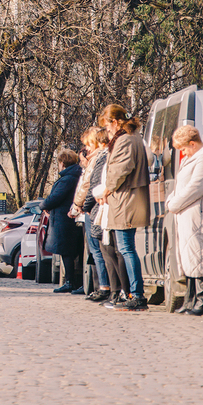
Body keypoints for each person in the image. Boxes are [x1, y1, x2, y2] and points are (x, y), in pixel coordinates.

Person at [162, 125, 203, 316]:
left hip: (201, 215)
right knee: (190, 258)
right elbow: (181, 186)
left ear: (192, 143)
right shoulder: (193, 158)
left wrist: (174, 204)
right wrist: (172, 200)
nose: (182, 153)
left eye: (184, 148)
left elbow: (195, 187)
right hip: (189, 215)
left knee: (201, 256)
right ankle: (191, 300)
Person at [97, 104, 150, 311]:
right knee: (125, 248)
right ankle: (132, 293)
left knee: (126, 248)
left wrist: (107, 189)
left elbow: (120, 169)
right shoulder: (130, 138)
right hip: (126, 198)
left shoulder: (125, 140)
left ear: (116, 122)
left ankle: (136, 294)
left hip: (126, 199)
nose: (107, 130)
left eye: (108, 125)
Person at [72, 127, 111, 302]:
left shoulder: (97, 158)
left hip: (93, 207)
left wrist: (79, 204)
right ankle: (104, 286)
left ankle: (104, 286)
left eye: (88, 144)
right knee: (98, 250)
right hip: (92, 205)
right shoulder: (98, 157)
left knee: (98, 250)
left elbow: (87, 184)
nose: (87, 148)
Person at [43, 148, 84, 294]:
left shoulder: (67, 178)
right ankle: (72, 281)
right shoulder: (74, 175)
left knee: (66, 252)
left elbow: (55, 197)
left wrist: (43, 205)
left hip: (64, 220)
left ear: (62, 162)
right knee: (71, 252)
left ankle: (70, 282)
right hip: (67, 218)